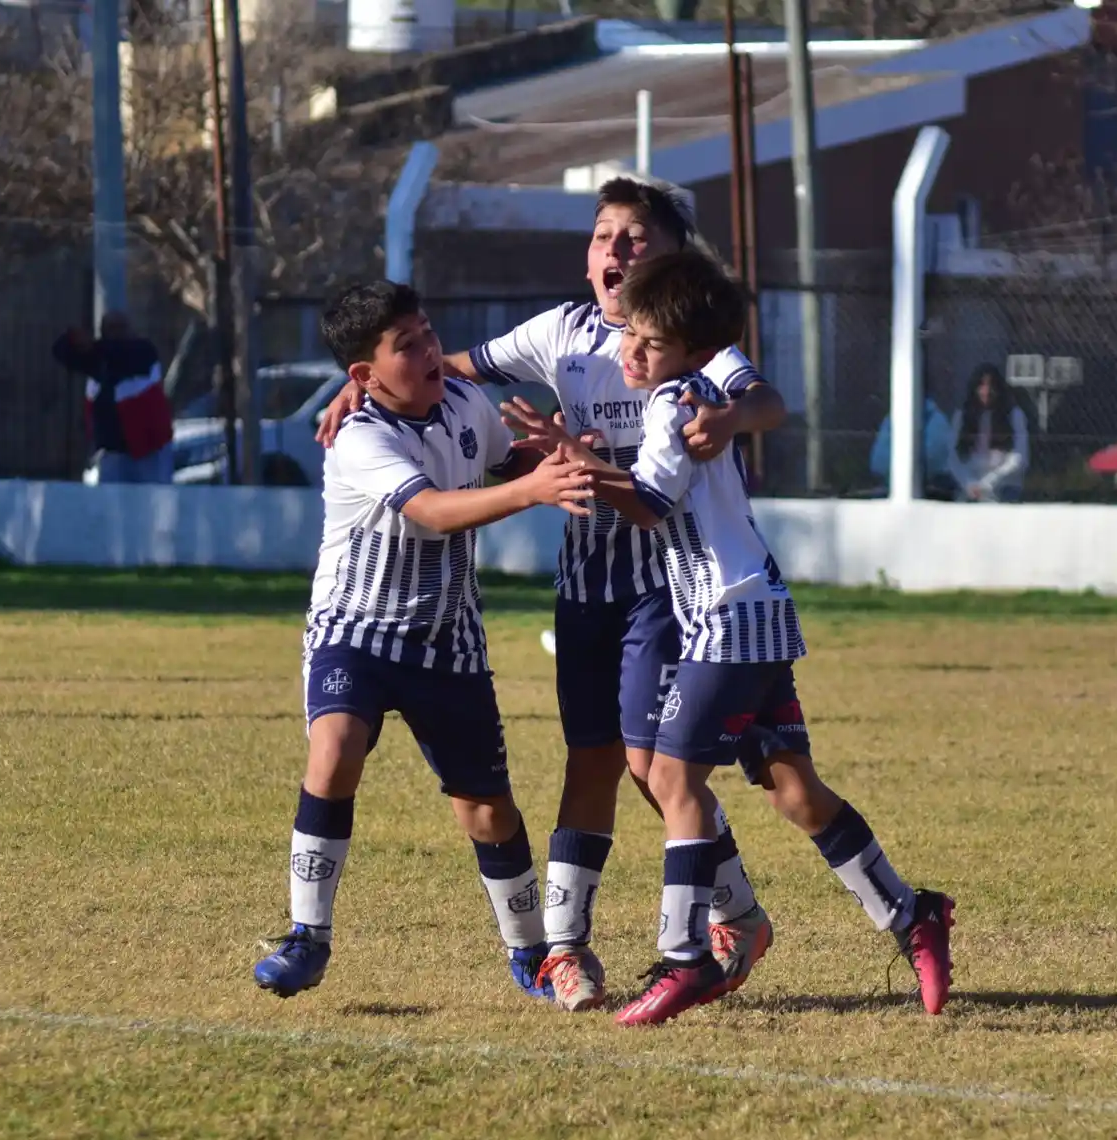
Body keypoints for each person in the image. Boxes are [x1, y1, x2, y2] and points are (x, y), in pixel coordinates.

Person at [317, 178, 789, 1013]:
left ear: (672, 259)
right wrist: (360, 385)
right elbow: (444, 368)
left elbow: (765, 399)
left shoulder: (684, 335)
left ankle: (731, 917)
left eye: (636, 237)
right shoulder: (559, 332)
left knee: (649, 766)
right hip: (585, 585)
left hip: (665, 586)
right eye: (604, 235)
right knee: (592, 759)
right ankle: (569, 948)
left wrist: (732, 420)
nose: (617, 250)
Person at [547, 250, 957, 1026]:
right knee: (795, 792)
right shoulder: (696, 394)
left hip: (725, 620)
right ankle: (914, 915)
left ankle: (686, 960)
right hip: (762, 612)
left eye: (651, 344)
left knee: (672, 782)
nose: (631, 353)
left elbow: (647, 506)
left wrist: (574, 459)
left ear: (695, 351)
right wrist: (585, 458)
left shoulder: (671, 406)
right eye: (630, 335)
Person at [251, 281, 595, 1001]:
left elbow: (507, 464)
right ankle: (307, 936)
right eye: (406, 346)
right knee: (335, 750)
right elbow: (434, 511)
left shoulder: (466, 403)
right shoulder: (359, 436)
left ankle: (530, 953)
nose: (430, 350)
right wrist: (534, 491)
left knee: (487, 810)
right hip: (356, 630)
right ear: (364, 375)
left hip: (449, 640)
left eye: (428, 332)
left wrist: (553, 457)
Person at [53, 311, 174, 484]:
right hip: (112, 451)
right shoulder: (98, 361)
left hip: (149, 450)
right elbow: (61, 351)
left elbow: (120, 355)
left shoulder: (143, 352)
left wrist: (92, 347)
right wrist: (73, 337)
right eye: (110, 328)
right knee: (109, 499)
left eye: (120, 328)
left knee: (153, 496)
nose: (115, 334)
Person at [946, 364, 1030, 502]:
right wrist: (968, 483)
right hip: (968, 488)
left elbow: (1020, 458)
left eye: (991, 386)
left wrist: (988, 483)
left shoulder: (1014, 415)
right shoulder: (962, 416)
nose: (986, 391)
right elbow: (952, 458)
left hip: (1003, 488)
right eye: (981, 386)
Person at [868, 395, 955, 499]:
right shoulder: (893, 418)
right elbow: (877, 461)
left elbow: (932, 460)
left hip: (933, 488)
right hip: (891, 486)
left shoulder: (936, 420)